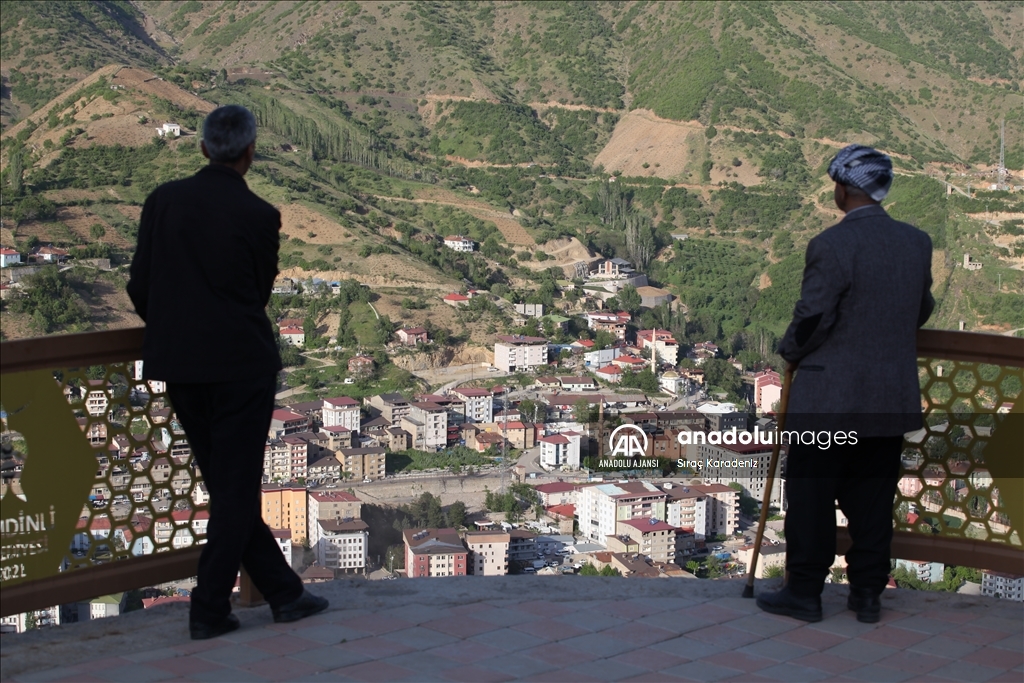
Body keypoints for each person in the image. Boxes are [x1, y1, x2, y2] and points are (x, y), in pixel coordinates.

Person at [127, 105, 327, 640]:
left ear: (203, 149)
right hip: (241, 365)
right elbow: (257, 294)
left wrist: (177, 328)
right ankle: (210, 606)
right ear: (249, 152)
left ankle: (284, 594)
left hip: (182, 367)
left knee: (227, 486)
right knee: (236, 488)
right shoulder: (259, 215)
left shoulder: (162, 201)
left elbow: (138, 287)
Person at [756, 145, 934, 624]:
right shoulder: (916, 243)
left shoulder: (831, 245)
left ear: (841, 189)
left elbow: (813, 318)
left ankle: (805, 592)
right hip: (889, 398)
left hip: (828, 401)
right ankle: (868, 595)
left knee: (811, 498)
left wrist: (791, 350)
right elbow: (922, 311)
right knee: (874, 501)